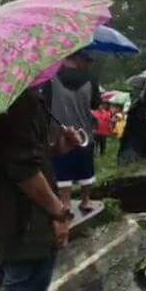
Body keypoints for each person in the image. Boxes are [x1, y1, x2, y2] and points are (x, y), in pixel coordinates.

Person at [0, 87, 79, 291]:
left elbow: (17, 152)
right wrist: (58, 212)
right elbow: (23, 168)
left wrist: (57, 148)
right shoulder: (19, 98)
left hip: (5, 215)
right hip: (24, 219)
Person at [43, 52, 99, 212]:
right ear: (77, 59)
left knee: (61, 168)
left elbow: (45, 106)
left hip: (59, 133)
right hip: (84, 132)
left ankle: (66, 204)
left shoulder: (51, 79)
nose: (88, 64)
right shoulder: (91, 79)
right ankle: (86, 200)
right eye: (86, 60)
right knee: (86, 166)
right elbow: (95, 104)